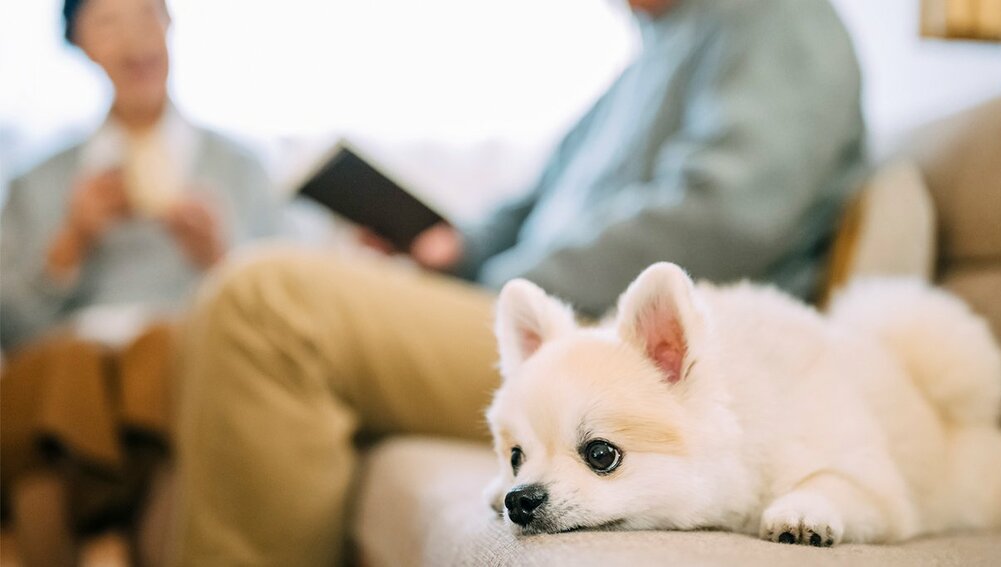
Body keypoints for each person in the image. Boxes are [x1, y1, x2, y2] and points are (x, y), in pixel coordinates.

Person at [171, 0, 864, 565]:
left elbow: (725, 213)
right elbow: (532, 204)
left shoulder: (776, 19)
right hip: (550, 326)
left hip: (614, 364)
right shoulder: (645, 61)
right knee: (254, 290)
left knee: (267, 300)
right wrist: (454, 253)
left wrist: (503, 278)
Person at [0, 0, 279, 564]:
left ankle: (100, 522)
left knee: (162, 352)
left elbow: (283, 310)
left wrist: (219, 257)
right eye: (108, 21)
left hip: (177, 353)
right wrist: (69, 244)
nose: (134, 37)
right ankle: (114, 522)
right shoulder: (41, 180)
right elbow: (12, 329)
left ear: (171, 24)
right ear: (78, 46)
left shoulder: (239, 169)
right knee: (68, 368)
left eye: (147, 12)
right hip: (68, 369)